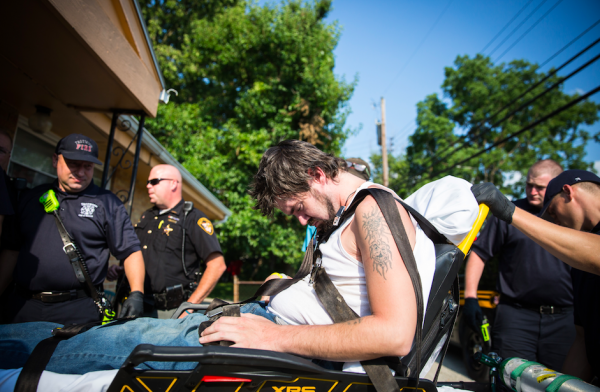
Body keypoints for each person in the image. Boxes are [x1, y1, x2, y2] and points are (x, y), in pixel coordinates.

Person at [0, 139, 478, 376]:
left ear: (317, 175)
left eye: (297, 207)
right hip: (258, 326)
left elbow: (395, 334)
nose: (299, 220)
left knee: (103, 348)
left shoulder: (374, 211)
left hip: (269, 343)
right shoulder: (346, 217)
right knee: (108, 335)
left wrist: (275, 335)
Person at [0, 133, 145, 325]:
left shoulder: (108, 203)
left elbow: (131, 251)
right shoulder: (31, 198)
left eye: (88, 166)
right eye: (73, 164)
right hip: (24, 306)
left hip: (78, 309)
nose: (81, 172)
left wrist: (137, 293)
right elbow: (12, 251)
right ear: (55, 160)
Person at [472, 170, 600, 382]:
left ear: (568, 192)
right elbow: (582, 340)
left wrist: (508, 211)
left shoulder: (587, 253)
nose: (554, 221)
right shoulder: (579, 265)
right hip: (515, 314)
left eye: (552, 211)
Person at [463, 160, 574, 370]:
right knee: (511, 379)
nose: (532, 192)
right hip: (516, 316)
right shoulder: (509, 212)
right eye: (529, 185)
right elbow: (480, 253)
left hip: (565, 319)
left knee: (561, 382)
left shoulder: (570, 216)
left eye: (540, 187)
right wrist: (470, 297)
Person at [108, 164, 226, 319]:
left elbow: (217, 265)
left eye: (154, 181)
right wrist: (121, 270)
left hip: (169, 312)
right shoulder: (147, 216)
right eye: (148, 182)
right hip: (134, 305)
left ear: (173, 183)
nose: (148, 185)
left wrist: (188, 309)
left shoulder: (192, 218)